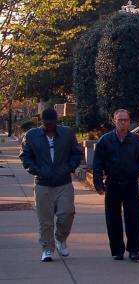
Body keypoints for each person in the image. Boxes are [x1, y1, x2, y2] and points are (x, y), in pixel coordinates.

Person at [18, 107, 82, 262]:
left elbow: (76, 153)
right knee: (45, 220)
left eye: (52, 123)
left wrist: (69, 168)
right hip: (43, 183)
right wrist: (36, 170)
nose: (49, 126)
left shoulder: (66, 133)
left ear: (56, 122)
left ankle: (61, 238)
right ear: (42, 122)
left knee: (67, 214)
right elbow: (25, 156)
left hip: (63, 182)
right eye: (46, 123)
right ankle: (47, 248)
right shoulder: (32, 136)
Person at [92, 109, 139, 261]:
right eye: (120, 120)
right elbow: (97, 163)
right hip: (112, 184)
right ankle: (117, 250)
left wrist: (136, 170)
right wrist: (98, 182)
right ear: (114, 121)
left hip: (130, 184)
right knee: (113, 218)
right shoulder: (105, 140)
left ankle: (134, 250)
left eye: (125, 120)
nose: (123, 122)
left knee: (134, 218)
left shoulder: (137, 140)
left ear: (129, 122)